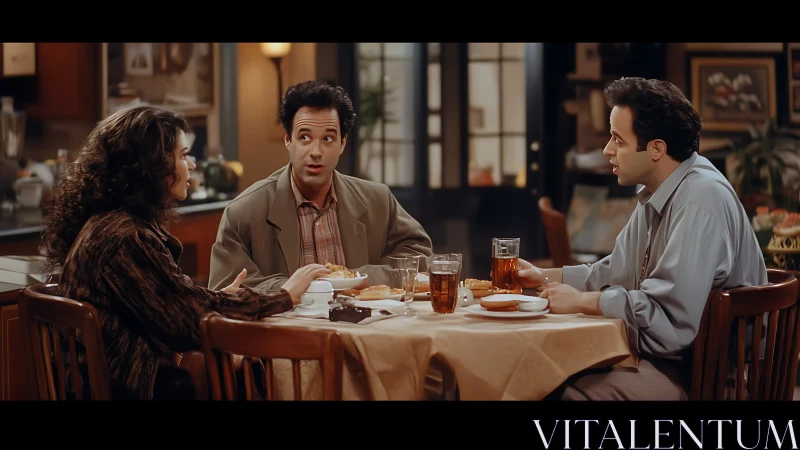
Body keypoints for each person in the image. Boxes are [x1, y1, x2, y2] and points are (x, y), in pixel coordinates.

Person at [42, 106, 331, 400]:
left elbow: (176, 304)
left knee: (237, 367)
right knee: (247, 373)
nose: (191, 166)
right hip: (129, 391)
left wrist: (220, 300)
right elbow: (190, 322)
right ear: (152, 165)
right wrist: (283, 296)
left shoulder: (111, 224)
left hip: (116, 384)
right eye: (182, 155)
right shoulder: (124, 238)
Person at [519, 77, 768, 400]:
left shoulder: (699, 198)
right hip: (676, 361)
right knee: (543, 375)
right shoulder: (659, 192)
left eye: (618, 140)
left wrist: (583, 301)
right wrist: (544, 278)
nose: (607, 150)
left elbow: (669, 322)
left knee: (561, 392)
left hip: (711, 378)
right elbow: (616, 272)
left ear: (656, 149)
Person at [208, 80, 433, 292]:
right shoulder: (244, 212)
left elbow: (420, 257)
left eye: (328, 139)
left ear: (342, 143)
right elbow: (225, 290)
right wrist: (292, 289)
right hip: (288, 331)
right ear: (288, 139)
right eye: (304, 137)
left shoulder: (377, 200)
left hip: (363, 328)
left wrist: (364, 278)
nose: (316, 152)